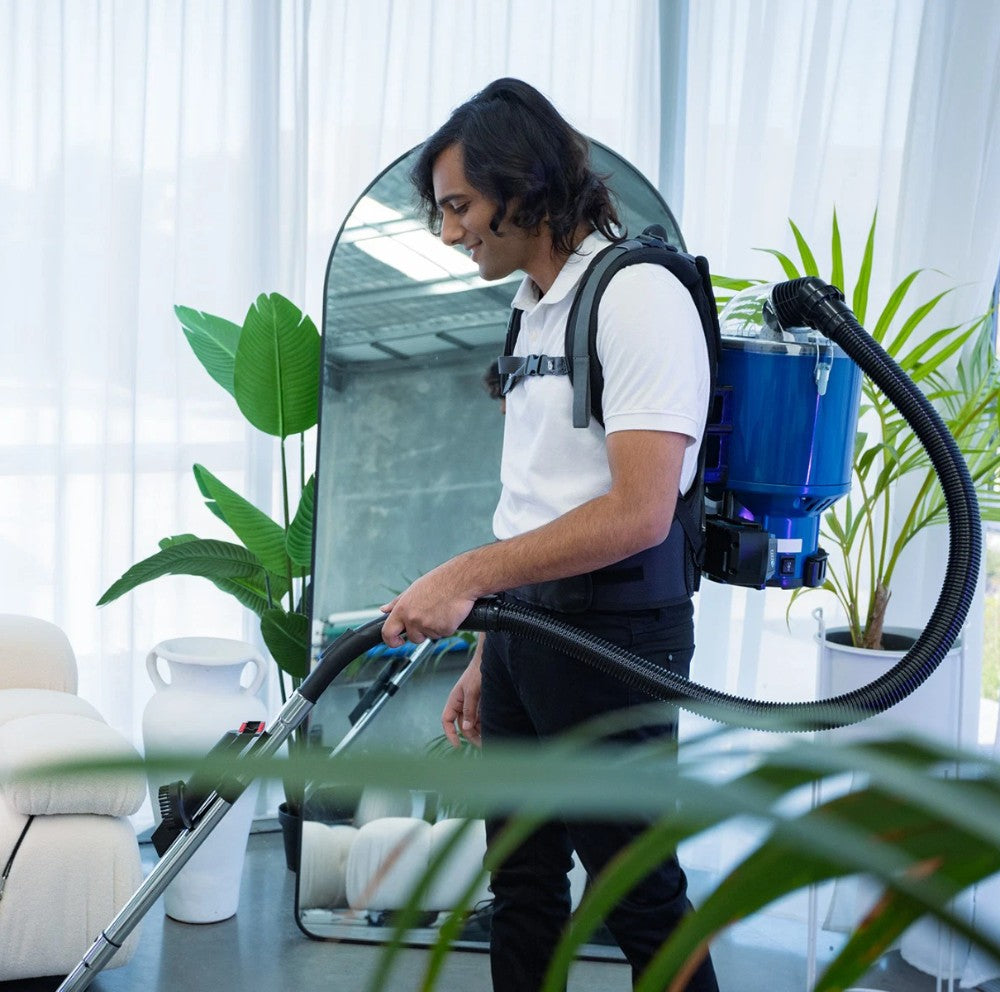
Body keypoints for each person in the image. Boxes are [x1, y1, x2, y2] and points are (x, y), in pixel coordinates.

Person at [380, 78, 719, 992]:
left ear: (522, 186)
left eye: (460, 206)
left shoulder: (637, 295)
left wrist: (466, 577)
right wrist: (493, 647)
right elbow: (538, 498)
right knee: (522, 884)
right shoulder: (535, 303)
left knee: (638, 897)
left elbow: (639, 511)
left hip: (614, 640)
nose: (448, 232)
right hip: (529, 633)